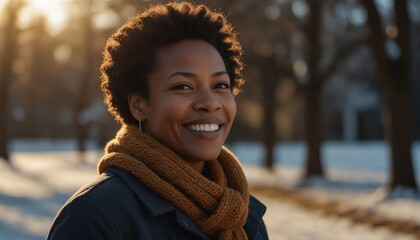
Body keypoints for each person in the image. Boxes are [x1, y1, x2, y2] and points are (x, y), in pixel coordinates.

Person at [47, 2, 268, 240]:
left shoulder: (244, 218)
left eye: (220, 85)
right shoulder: (94, 215)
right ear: (138, 105)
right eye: (182, 86)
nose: (210, 102)